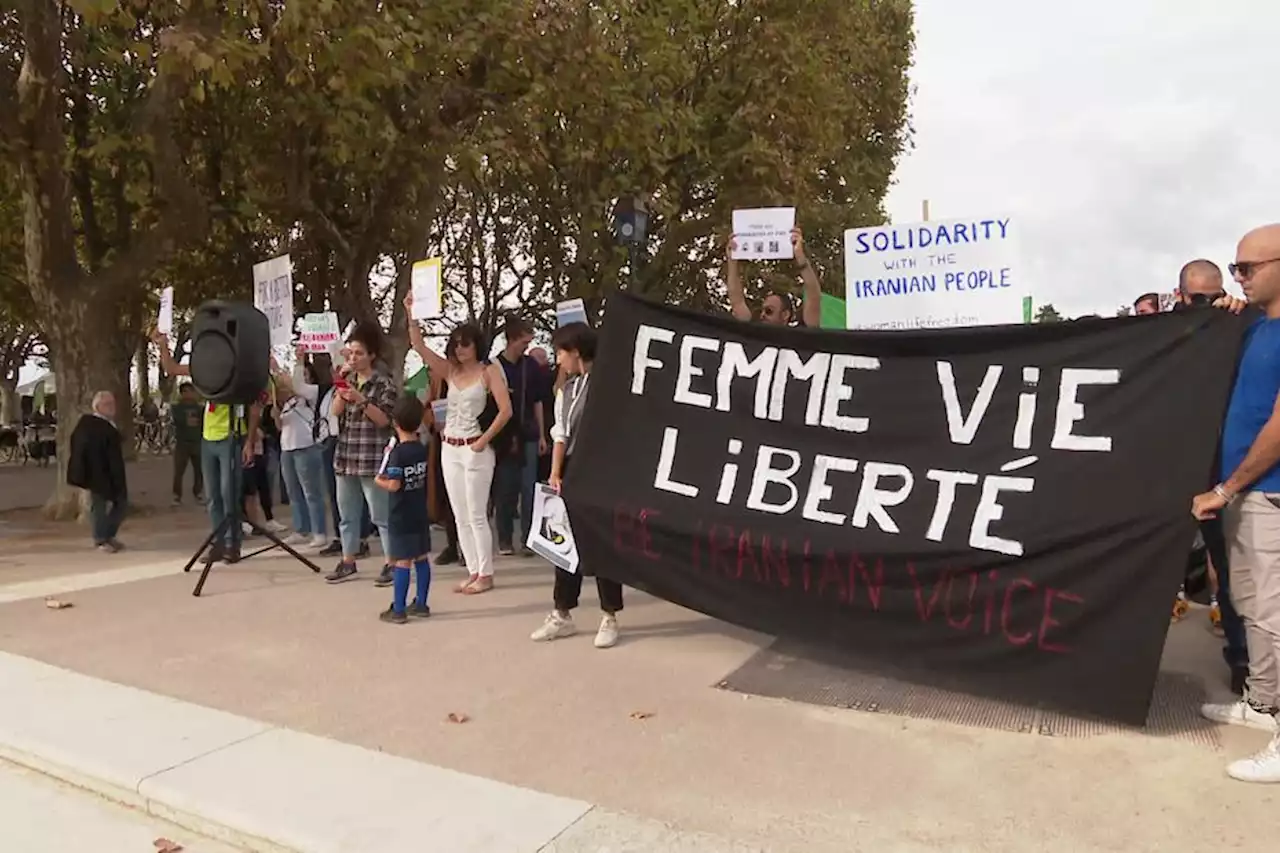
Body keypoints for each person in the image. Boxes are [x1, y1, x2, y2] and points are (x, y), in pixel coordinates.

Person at [1191, 223, 1280, 783]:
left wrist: (1227, 487)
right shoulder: (1254, 328)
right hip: (1247, 494)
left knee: (1274, 618)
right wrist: (1219, 314)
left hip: (1269, 493)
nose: (1239, 278)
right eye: (1237, 269)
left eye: (1248, 268)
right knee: (1249, 609)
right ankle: (1262, 704)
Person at [405, 294, 512, 594]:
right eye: (456, 344)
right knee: (459, 512)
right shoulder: (451, 372)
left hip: (474, 446)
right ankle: (473, 569)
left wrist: (484, 440)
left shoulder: (489, 372)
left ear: (477, 344)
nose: (460, 349)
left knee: (477, 513)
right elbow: (419, 347)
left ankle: (486, 573)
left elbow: (506, 411)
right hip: (449, 446)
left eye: (466, 343)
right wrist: (412, 315)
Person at [530, 322, 623, 648]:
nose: (558, 359)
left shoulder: (609, 385)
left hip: (602, 470)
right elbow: (560, 434)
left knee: (602, 543)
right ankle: (562, 612)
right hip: (570, 468)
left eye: (561, 352)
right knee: (561, 541)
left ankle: (609, 615)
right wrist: (555, 473)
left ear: (576, 351)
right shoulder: (567, 391)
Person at [153, 329, 260, 563]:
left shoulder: (239, 373)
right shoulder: (203, 370)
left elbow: (253, 408)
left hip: (232, 438)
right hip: (208, 439)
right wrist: (162, 345)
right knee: (212, 496)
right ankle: (218, 542)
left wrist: (250, 442)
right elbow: (172, 369)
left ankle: (233, 543)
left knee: (228, 492)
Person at [327, 322, 398, 585]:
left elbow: (384, 420)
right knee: (347, 515)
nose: (354, 358)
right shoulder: (348, 381)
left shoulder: (384, 384)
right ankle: (348, 560)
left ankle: (392, 563)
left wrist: (360, 399)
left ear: (372, 356)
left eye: (359, 353)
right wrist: (341, 390)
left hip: (371, 457)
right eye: (351, 353)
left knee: (381, 515)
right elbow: (334, 413)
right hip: (346, 455)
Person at [375, 395, 434, 624]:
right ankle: (421, 603)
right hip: (419, 510)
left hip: (401, 514)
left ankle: (398, 608)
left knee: (402, 560)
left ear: (395, 422)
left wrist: (378, 480)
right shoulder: (420, 448)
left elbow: (394, 485)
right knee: (421, 557)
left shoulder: (398, 454)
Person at [492, 315, 548, 557]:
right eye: (524, 341)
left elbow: (538, 401)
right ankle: (505, 538)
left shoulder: (531, 366)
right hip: (504, 435)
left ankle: (528, 539)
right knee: (505, 488)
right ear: (512, 339)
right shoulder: (494, 366)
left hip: (528, 432)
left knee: (529, 489)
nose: (526, 346)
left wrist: (542, 434)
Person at [273, 356, 329, 549]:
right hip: (287, 448)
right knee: (293, 492)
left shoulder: (312, 395)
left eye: (304, 374)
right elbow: (281, 425)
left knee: (311, 492)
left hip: (306, 447)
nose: (299, 378)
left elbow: (291, 382)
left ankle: (319, 531)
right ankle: (301, 528)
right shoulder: (291, 402)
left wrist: (282, 366)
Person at [67, 391, 127, 554]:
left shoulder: (109, 424)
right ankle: (101, 539)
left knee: (121, 504)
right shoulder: (89, 424)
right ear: (98, 406)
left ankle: (108, 535)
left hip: (113, 470)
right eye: (107, 404)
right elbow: (83, 449)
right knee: (98, 506)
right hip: (97, 472)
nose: (111, 407)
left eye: (113, 403)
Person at [725, 226, 822, 327]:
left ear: (785, 315)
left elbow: (814, 297)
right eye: (762, 310)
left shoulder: (799, 336)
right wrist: (732, 261)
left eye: (769, 311)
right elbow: (737, 302)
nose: (762, 315)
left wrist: (800, 256)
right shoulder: (754, 332)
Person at [170, 382, 205, 506]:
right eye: (185, 391)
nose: (189, 394)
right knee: (179, 470)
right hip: (182, 443)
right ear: (182, 393)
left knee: (199, 470)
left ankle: (198, 492)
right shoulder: (177, 408)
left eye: (191, 391)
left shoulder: (200, 408)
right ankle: (176, 495)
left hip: (197, 442)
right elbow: (177, 421)